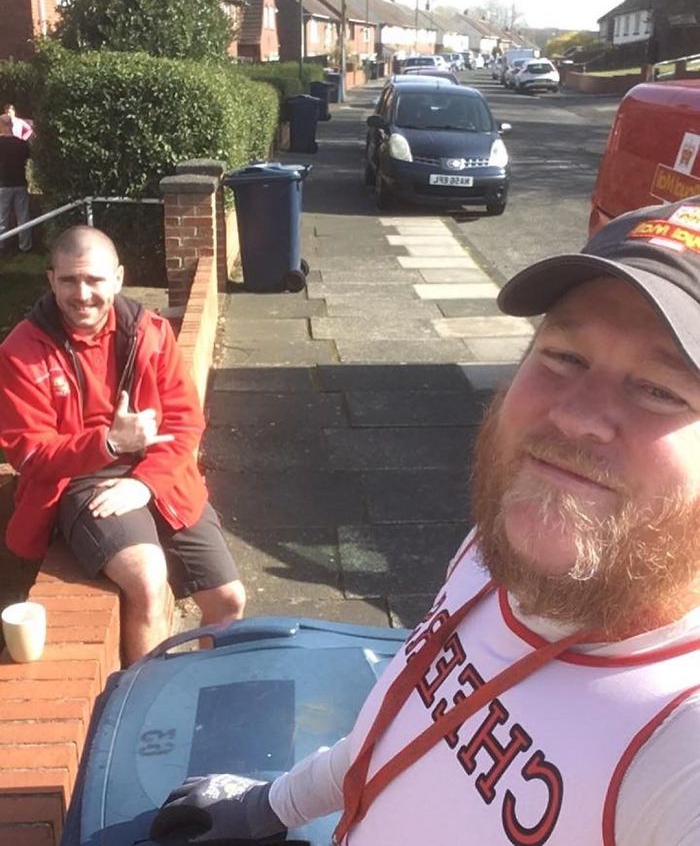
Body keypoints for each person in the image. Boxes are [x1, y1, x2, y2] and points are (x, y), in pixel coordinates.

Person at [150, 197, 700, 845]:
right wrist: (269, 804)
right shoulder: (495, 551)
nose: (577, 415)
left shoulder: (678, 740)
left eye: (661, 389)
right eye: (563, 356)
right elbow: (411, 719)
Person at [0, 225, 246, 664]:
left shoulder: (151, 333)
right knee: (148, 579)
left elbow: (186, 422)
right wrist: (110, 445)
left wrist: (146, 483)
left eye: (94, 279)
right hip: (78, 482)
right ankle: (143, 712)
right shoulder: (21, 350)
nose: (83, 294)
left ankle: (211, 690)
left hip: (160, 477)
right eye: (70, 280)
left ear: (118, 278)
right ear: (51, 280)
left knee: (229, 599)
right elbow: (31, 454)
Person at [0, 113, 31, 252]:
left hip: (3, 183)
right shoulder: (22, 144)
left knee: (2, 216)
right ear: (12, 125)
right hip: (20, 182)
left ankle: (1, 244)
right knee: (23, 215)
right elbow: (27, 159)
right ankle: (25, 246)